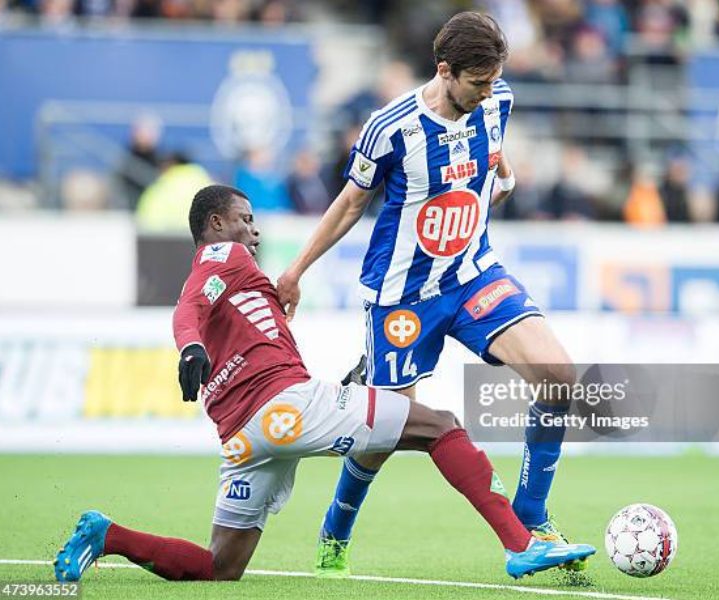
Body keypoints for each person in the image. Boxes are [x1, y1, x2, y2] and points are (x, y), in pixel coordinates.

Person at [53, 185, 595, 584]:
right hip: (282, 406)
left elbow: (231, 336)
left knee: (221, 567)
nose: (254, 230)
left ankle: (107, 534)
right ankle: (521, 543)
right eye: (244, 219)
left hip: (245, 437)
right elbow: (189, 305)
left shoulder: (247, 290)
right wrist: (189, 345)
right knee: (441, 426)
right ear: (215, 224)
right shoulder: (224, 255)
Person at [275, 12, 590, 578]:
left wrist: (502, 181)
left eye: (495, 81)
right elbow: (350, 203)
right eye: (478, 83)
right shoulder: (390, 127)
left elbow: (495, 160)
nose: (488, 92)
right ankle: (337, 527)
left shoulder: (497, 102)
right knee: (383, 434)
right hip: (403, 297)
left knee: (559, 376)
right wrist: (296, 270)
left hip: (473, 276)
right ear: (444, 71)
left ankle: (532, 514)